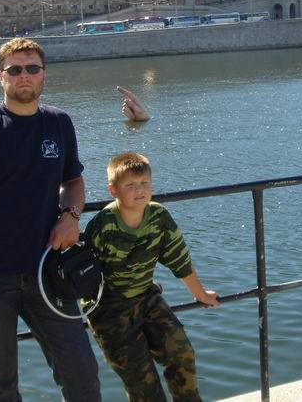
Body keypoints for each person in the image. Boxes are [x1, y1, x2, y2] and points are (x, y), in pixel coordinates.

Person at [0, 37, 101, 402]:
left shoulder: (59, 122)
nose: (24, 76)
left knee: (81, 372)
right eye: (14, 70)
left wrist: (71, 215)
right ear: (1, 76)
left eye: (32, 68)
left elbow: (74, 181)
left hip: (48, 272)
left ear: (44, 74)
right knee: (0, 386)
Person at [83, 152, 219, 402]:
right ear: (113, 190)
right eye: (130, 185)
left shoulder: (158, 217)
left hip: (145, 296)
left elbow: (180, 259)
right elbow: (83, 275)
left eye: (144, 183)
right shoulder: (103, 225)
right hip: (109, 308)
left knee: (181, 353)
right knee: (142, 382)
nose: (139, 190)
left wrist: (200, 294)